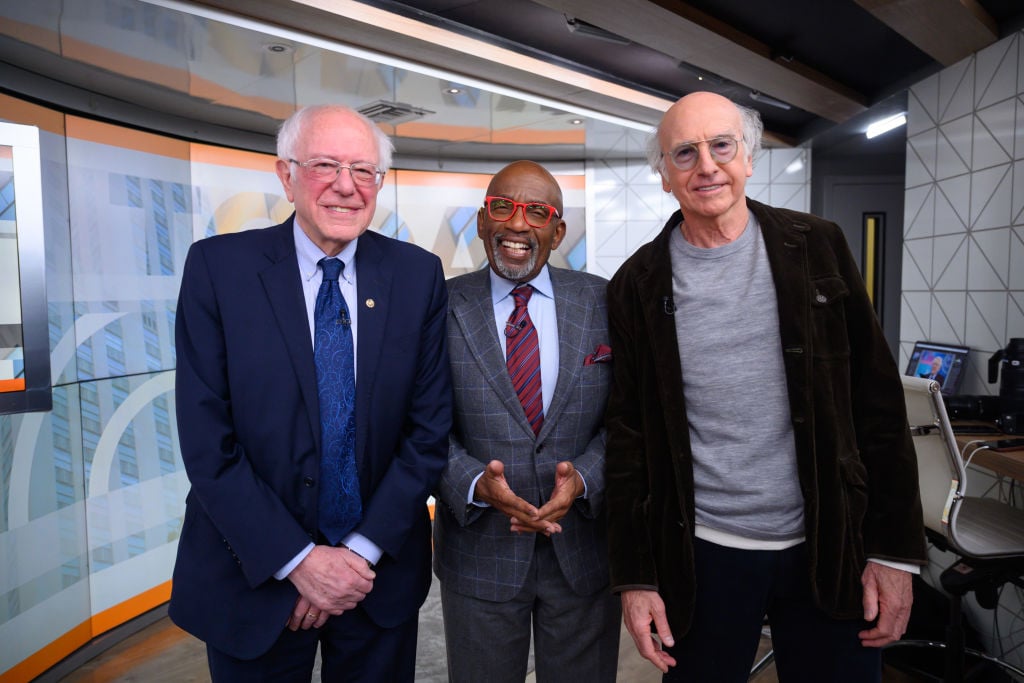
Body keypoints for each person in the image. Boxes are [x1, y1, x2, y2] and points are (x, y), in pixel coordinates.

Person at [604, 92, 927, 682]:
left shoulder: (818, 246)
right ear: (665, 176)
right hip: (701, 554)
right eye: (684, 153)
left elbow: (878, 404)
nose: (706, 165)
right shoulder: (637, 284)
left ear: (747, 157)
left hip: (829, 541)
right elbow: (628, 441)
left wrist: (894, 552)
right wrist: (637, 577)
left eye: (721, 145)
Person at [169, 104, 452, 681]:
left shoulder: (417, 275)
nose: (346, 187)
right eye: (325, 165)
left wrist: (355, 556)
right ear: (286, 174)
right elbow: (207, 443)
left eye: (364, 171)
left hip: (375, 580)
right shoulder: (218, 269)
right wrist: (298, 562)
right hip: (250, 573)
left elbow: (426, 434)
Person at [433, 160, 620, 682]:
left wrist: (585, 478)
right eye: (502, 207)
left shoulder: (604, 301)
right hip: (479, 555)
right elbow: (419, 425)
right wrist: (472, 483)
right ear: (481, 220)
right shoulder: (440, 307)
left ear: (557, 232)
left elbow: (627, 421)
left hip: (583, 552)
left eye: (537, 212)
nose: (517, 224)